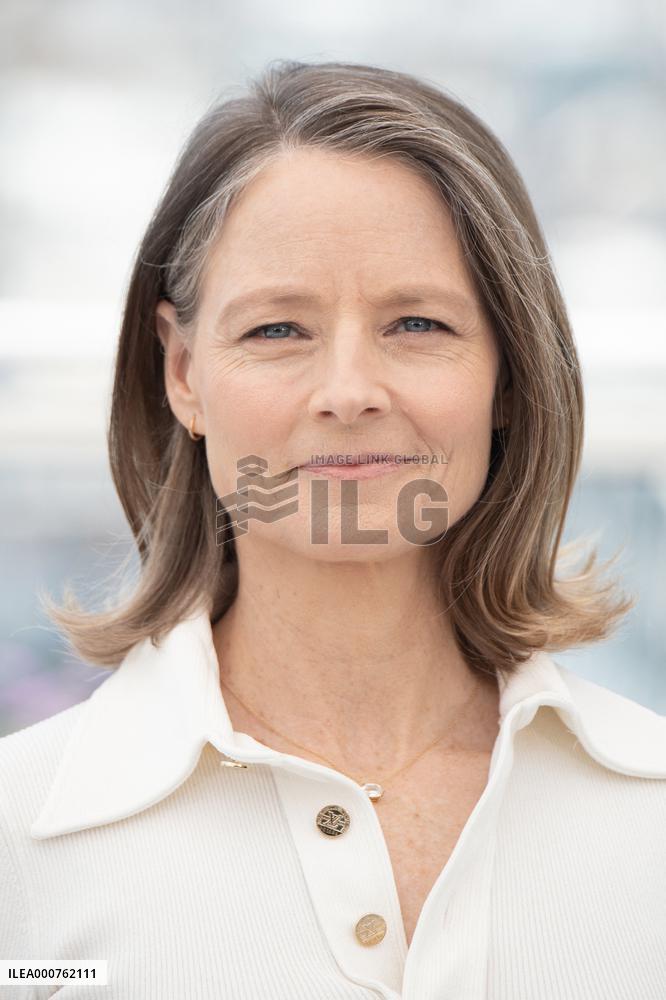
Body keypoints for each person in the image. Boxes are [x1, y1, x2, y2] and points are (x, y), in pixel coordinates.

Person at [1, 59, 664, 1000]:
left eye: (418, 323)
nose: (349, 392)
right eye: (278, 331)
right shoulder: (19, 845)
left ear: (509, 374)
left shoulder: (652, 815)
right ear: (184, 372)